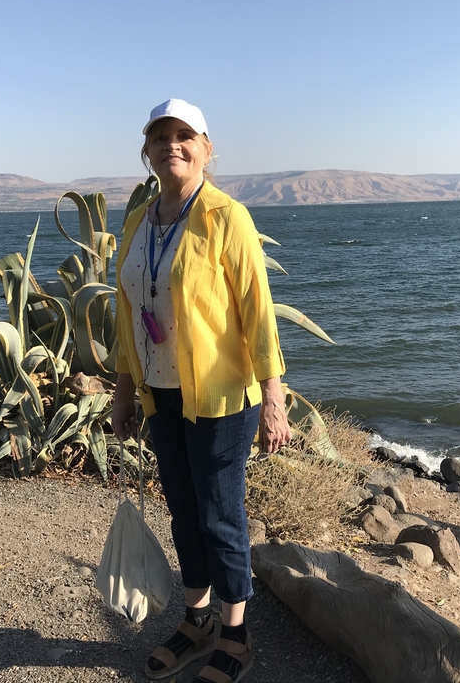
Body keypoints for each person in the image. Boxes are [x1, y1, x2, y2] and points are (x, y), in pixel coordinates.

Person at [111, 98, 291, 682]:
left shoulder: (224, 217)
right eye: (161, 137)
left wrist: (274, 397)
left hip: (219, 399)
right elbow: (126, 310)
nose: (173, 146)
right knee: (183, 514)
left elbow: (257, 313)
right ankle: (196, 621)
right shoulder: (138, 221)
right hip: (159, 394)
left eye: (185, 136)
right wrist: (122, 389)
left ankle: (235, 635)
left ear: (207, 148)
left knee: (220, 516)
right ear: (148, 152)